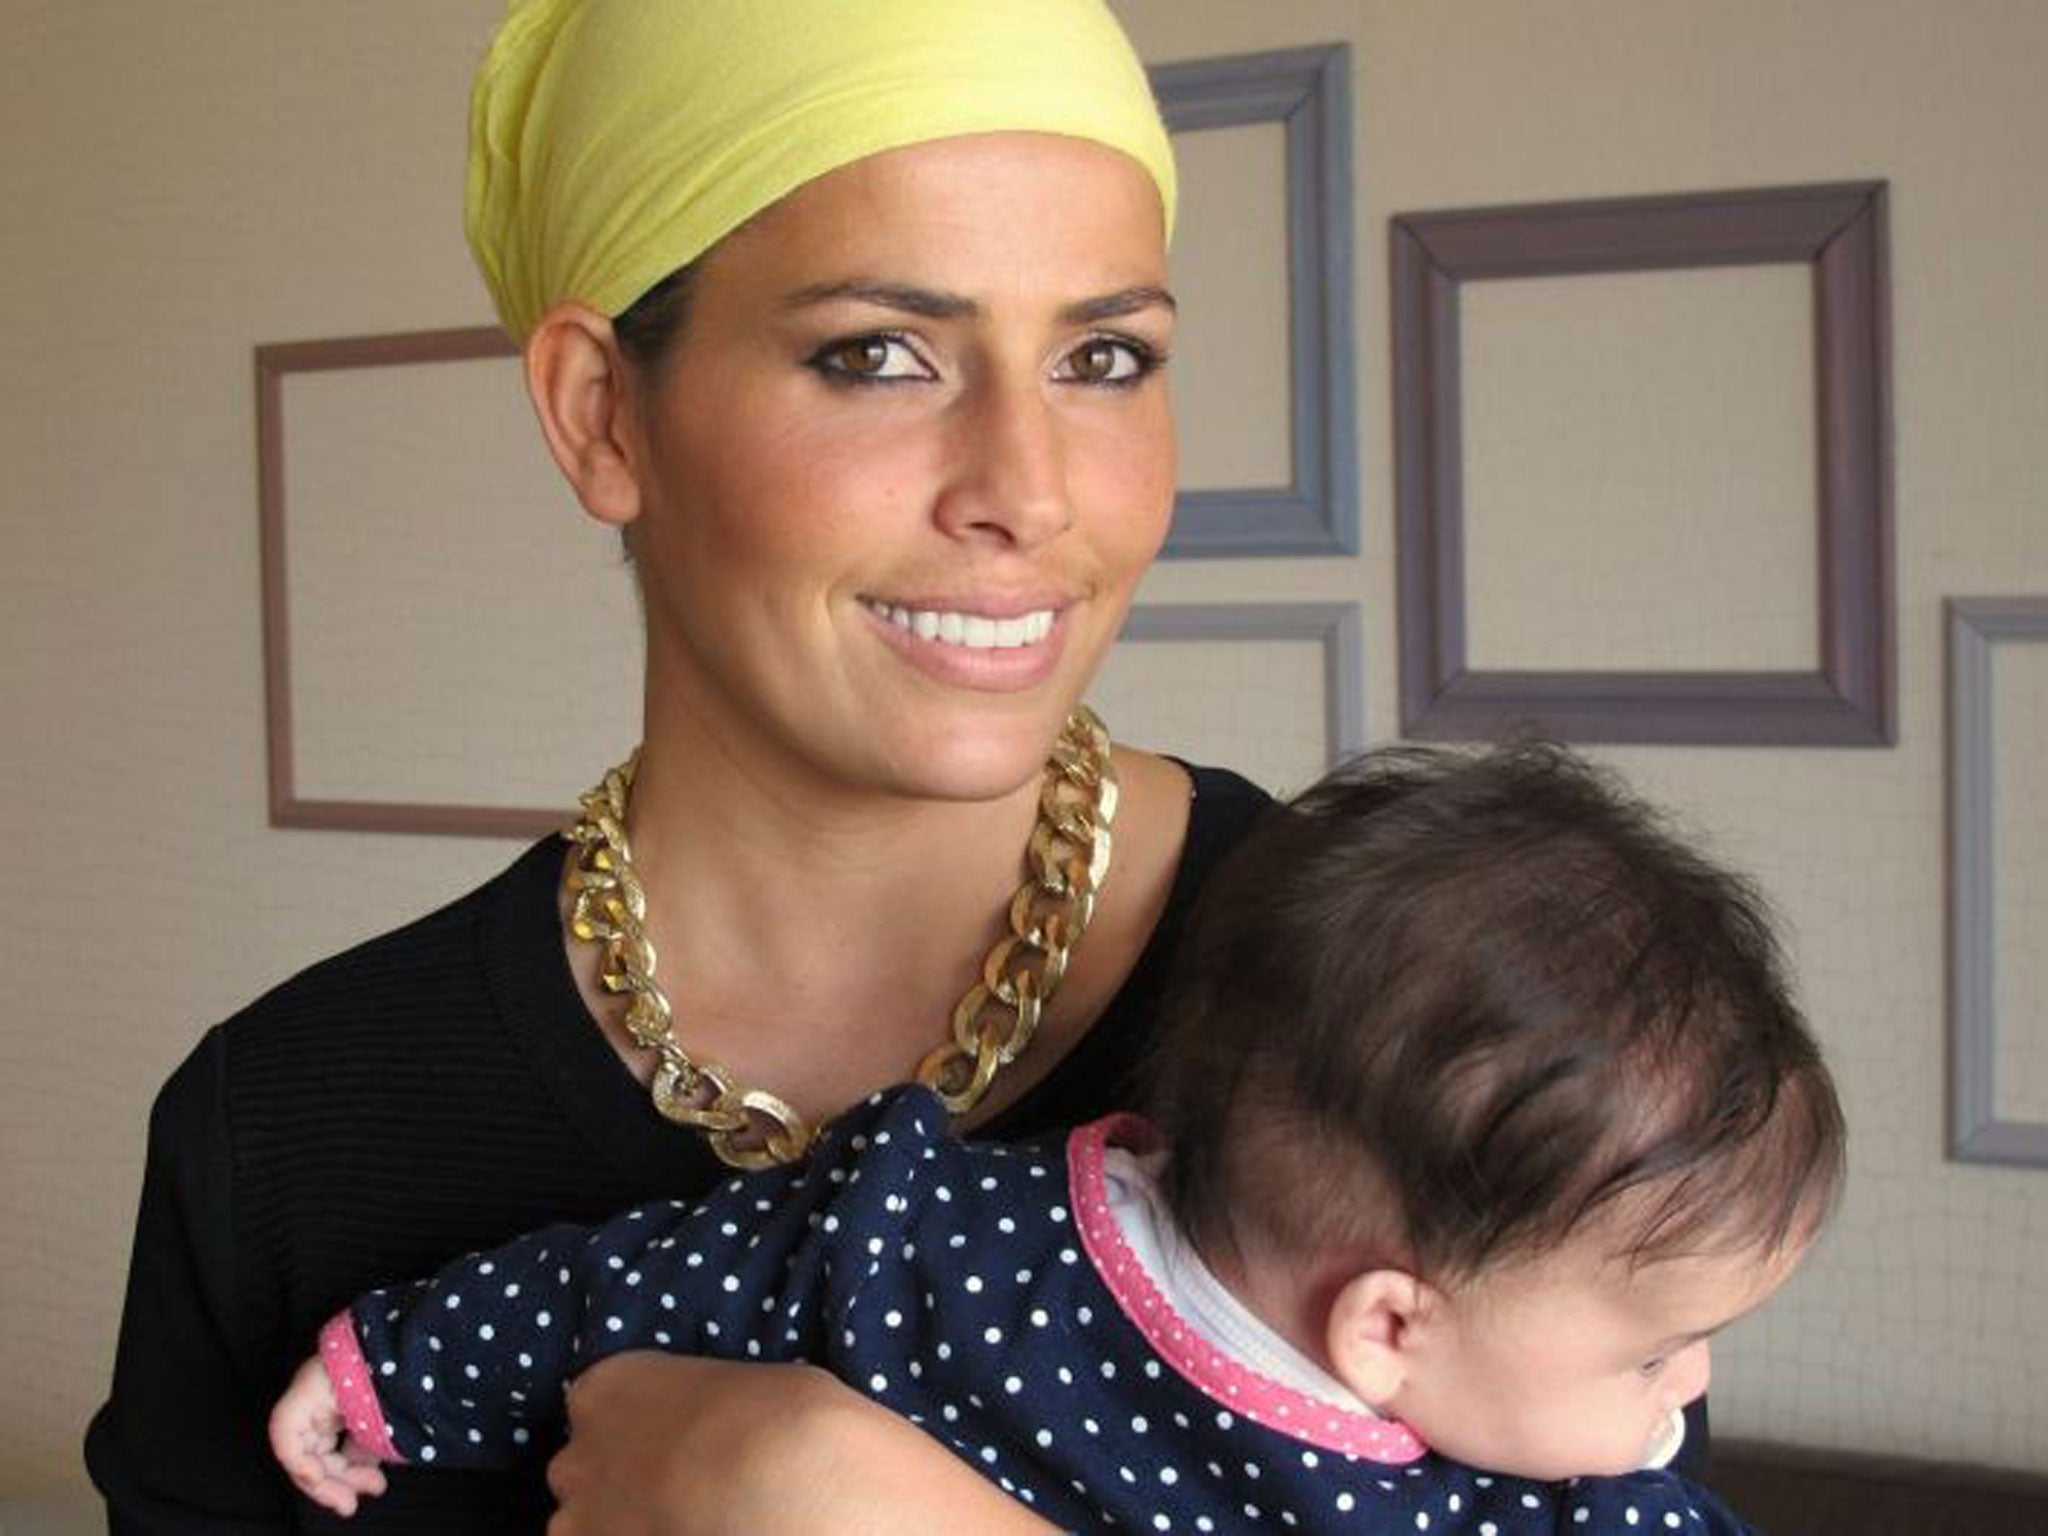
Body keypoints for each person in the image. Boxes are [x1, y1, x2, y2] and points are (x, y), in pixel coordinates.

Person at [89, 2, 1282, 1532]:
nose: (1030, 495)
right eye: (880, 356)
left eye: (1105, 356)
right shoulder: (286, 1132)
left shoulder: (1424, 1000)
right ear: (603, 415)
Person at [269, 744, 1835, 1533]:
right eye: (1658, 1356)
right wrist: (397, 1368)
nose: (1685, 1396)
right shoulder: (956, 1247)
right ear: (1387, 1325)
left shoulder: (1569, 1435)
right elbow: (635, 1292)